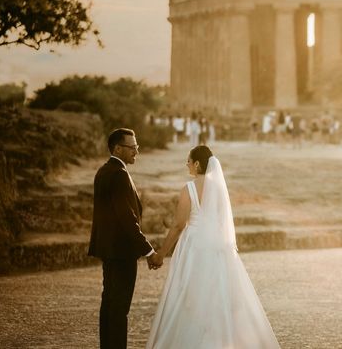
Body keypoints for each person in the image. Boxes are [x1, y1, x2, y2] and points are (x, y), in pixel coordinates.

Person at [146, 146, 279, 348]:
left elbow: (179, 225)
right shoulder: (218, 188)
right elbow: (221, 220)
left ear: (197, 164)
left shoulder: (189, 188)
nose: (187, 164)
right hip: (216, 245)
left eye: (188, 161)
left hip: (194, 245)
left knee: (190, 294)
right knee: (219, 293)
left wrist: (161, 254)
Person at [88, 128, 160, 349]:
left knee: (109, 303)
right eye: (132, 147)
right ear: (118, 148)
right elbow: (126, 217)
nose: (136, 151)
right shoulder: (119, 174)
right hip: (121, 251)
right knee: (119, 308)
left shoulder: (103, 170)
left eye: (137, 147)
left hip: (109, 249)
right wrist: (149, 250)